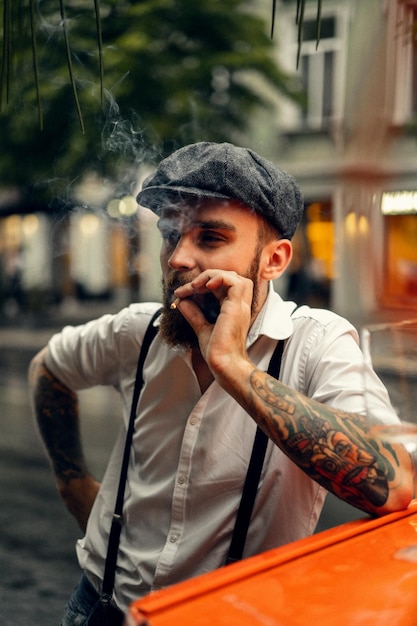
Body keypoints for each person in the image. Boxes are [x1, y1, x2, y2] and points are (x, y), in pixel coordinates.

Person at [29, 142, 412, 625]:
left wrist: (236, 368)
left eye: (210, 238)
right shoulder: (138, 331)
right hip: (100, 607)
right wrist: (72, 482)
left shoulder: (317, 343)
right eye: (171, 235)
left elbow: (394, 484)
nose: (178, 259)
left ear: (273, 260)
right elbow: (48, 368)